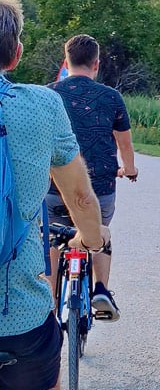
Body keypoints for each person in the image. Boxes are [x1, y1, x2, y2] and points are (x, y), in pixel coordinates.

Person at [0, 0, 108, 390]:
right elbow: (79, 195)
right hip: (19, 317)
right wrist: (93, 240)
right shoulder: (43, 105)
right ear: (16, 54)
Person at [45, 34, 138, 323]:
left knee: (52, 235)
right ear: (96, 64)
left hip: (53, 187)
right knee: (98, 230)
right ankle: (101, 290)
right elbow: (124, 145)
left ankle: (50, 297)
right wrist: (129, 169)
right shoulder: (111, 97)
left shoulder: (48, 95)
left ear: (66, 61)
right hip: (100, 188)